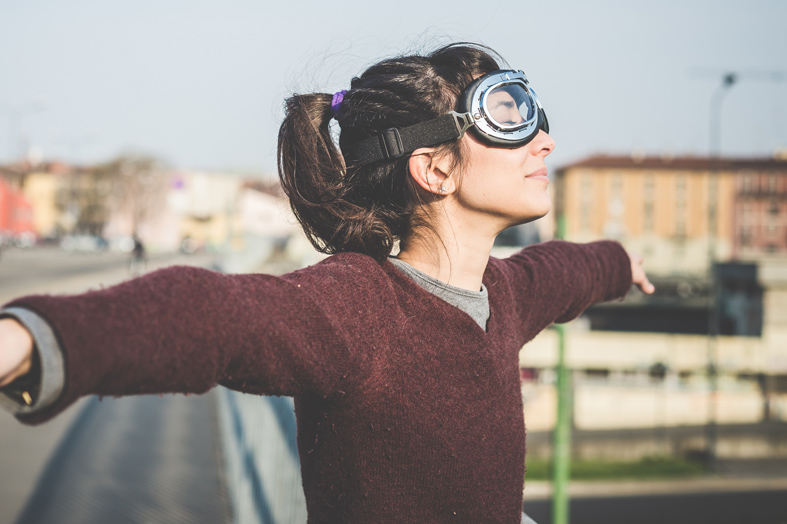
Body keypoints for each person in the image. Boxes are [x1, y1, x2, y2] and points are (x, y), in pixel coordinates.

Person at [0, 43, 653, 523]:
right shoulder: (361, 307)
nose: (544, 141)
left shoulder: (504, 292)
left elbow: (567, 271)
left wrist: (621, 262)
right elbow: (215, 314)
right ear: (434, 169)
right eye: (507, 119)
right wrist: (34, 339)